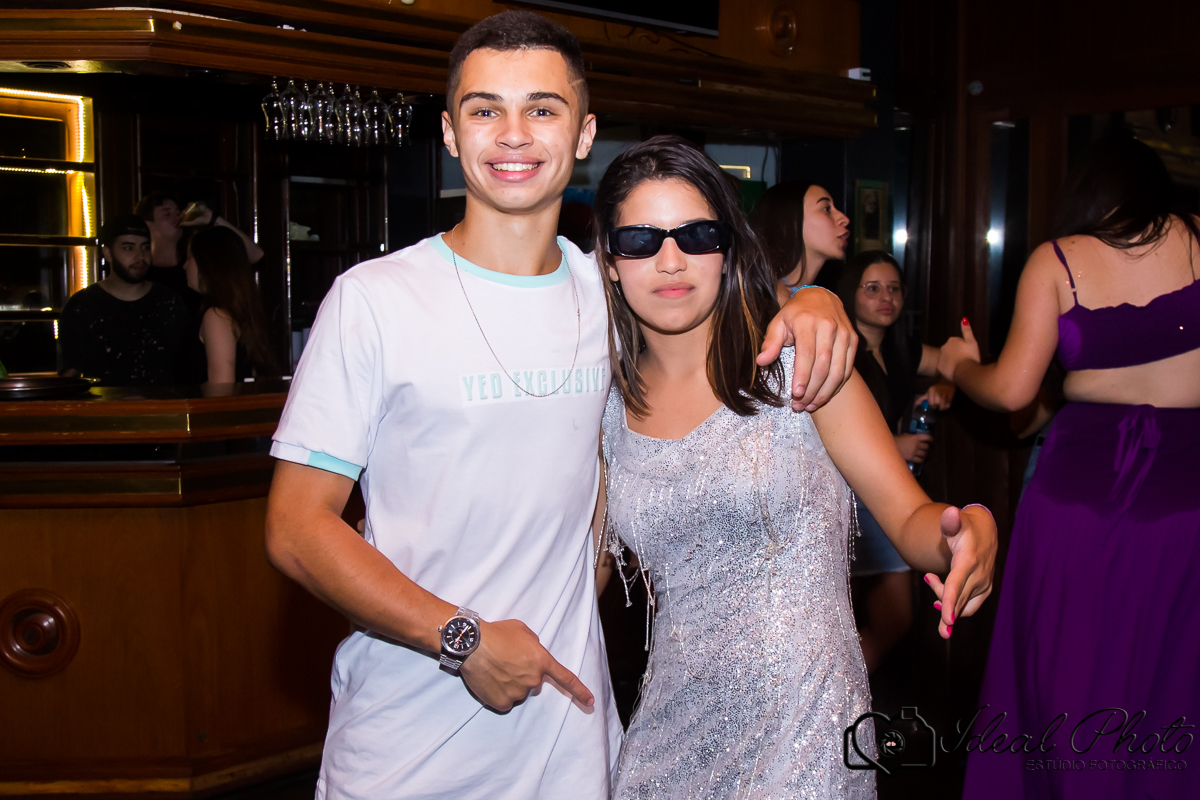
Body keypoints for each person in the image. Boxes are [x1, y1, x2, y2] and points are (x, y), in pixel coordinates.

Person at [262, 12, 859, 800]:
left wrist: (816, 299)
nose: (514, 134)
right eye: (485, 109)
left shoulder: (610, 291)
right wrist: (462, 639)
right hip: (408, 742)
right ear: (450, 133)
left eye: (542, 109)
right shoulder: (373, 302)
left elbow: (724, 298)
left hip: (569, 742)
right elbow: (297, 529)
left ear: (584, 134)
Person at [595, 136, 996, 799]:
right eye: (639, 241)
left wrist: (971, 527)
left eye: (696, 235)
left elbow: (912, 519)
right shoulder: (605, 408)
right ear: (609, 261)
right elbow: (580, 580)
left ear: (728, 247)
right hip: (671, 734)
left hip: (807, 729)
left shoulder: (803, 366)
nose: (670, 260)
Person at [941, 136, 1200, 800]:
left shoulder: (1057, 260)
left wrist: (958, 366)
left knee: (1066, 666)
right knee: (1173, 674)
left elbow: (1011, 391)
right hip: (1186, 492)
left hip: (1077, 491)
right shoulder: (1197, 240)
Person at [834, 250, 955, 673]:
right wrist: (893, 445)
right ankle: (835, 699)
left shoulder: (900, 349)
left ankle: (840, 697)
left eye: (894, 289)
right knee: (871, 621)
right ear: (850, 294)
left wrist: (946, 385)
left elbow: (952, 361)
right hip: (848, 492)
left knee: (891, 620)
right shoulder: (840, 349)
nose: (886, 298)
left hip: (884, 495)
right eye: (872, 288)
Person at [59, 215, 190, 386]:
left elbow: (188, 369)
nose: (140, 256)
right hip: (103, 402)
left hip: (164, 402)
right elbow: (70, 373)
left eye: (145, 247)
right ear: (108, 253)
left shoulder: (170, 302)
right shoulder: (82, 305)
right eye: (128, 248)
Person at [184, 226, 277, 382]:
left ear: (207, 262)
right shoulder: (233, 311)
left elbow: (222, 388)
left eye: (189, 257)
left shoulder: (216, 316)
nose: (185, 265)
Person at [135, 190, 265, 294]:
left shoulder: (198, 258)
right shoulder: (141, 271)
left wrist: (211, 218)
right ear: (148, 225)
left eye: (178, 212)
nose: (177, 217)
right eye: (167, 214)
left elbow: (255, 254)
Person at [750, 179, 851, 300]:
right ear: (790, 222)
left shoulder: (798, 297)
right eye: (826, 209)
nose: (844, 219)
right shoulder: (777, 299)